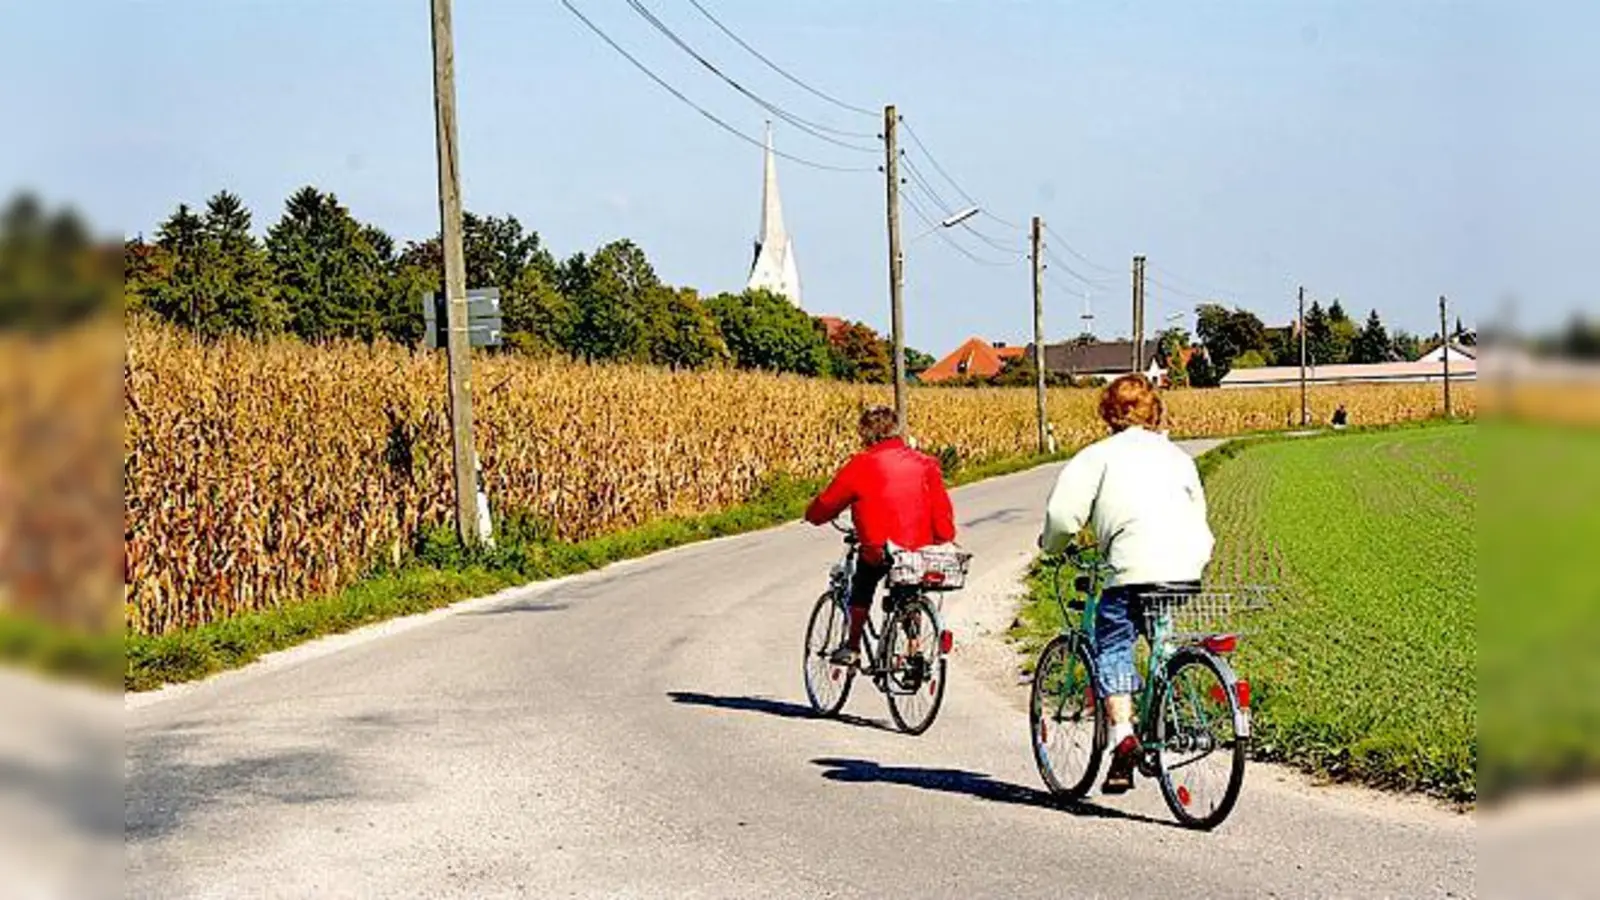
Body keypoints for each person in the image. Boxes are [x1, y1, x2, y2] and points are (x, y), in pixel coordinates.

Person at [1038, 374, 1214, 793]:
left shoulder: (1096, 457)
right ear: (1155, 411)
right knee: (1159, 634)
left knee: (1114, 644)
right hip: (1185, 566)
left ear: (1108, 413)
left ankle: (1124, 737)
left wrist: (1052, 546)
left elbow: (1063, 519)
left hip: (1131, 568)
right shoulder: (1179, 457)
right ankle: (1172, 706)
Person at [805, 406, 956, 667]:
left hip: (879, 548)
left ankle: (852, 646)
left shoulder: (861, 464)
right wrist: (943, 539)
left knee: (862, 584)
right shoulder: (925, 463)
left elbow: (829, 502)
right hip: (918, 551)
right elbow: (941, 509)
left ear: (866, 433)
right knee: (909, 587)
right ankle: (914, 648)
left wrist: (813, 515)